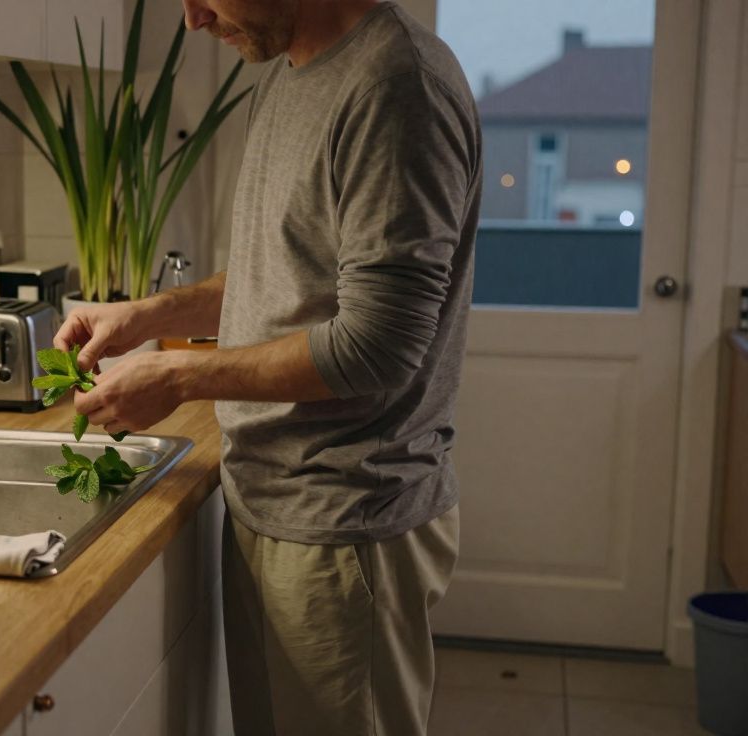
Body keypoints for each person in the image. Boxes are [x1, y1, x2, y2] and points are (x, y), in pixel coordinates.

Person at [53, 1, 481, 733]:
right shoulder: (287, 74)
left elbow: (379, 341)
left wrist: (179, 378)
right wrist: (150, 315)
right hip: (274, 503)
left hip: (347, 523)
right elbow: (283, 280)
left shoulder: (396, 84)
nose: (191, 19)